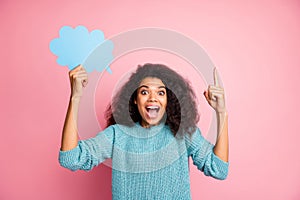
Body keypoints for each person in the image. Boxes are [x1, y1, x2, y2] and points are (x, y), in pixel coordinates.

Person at [59, 63, 229, 200]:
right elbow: (71, 158)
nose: (153, 98)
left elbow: (218, 169)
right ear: (134, 99)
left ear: (168, 100)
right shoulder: (118, 135)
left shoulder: (183, 133)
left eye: (160, 93)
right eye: (145, 92)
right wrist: (75, 97)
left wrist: (222, 113)